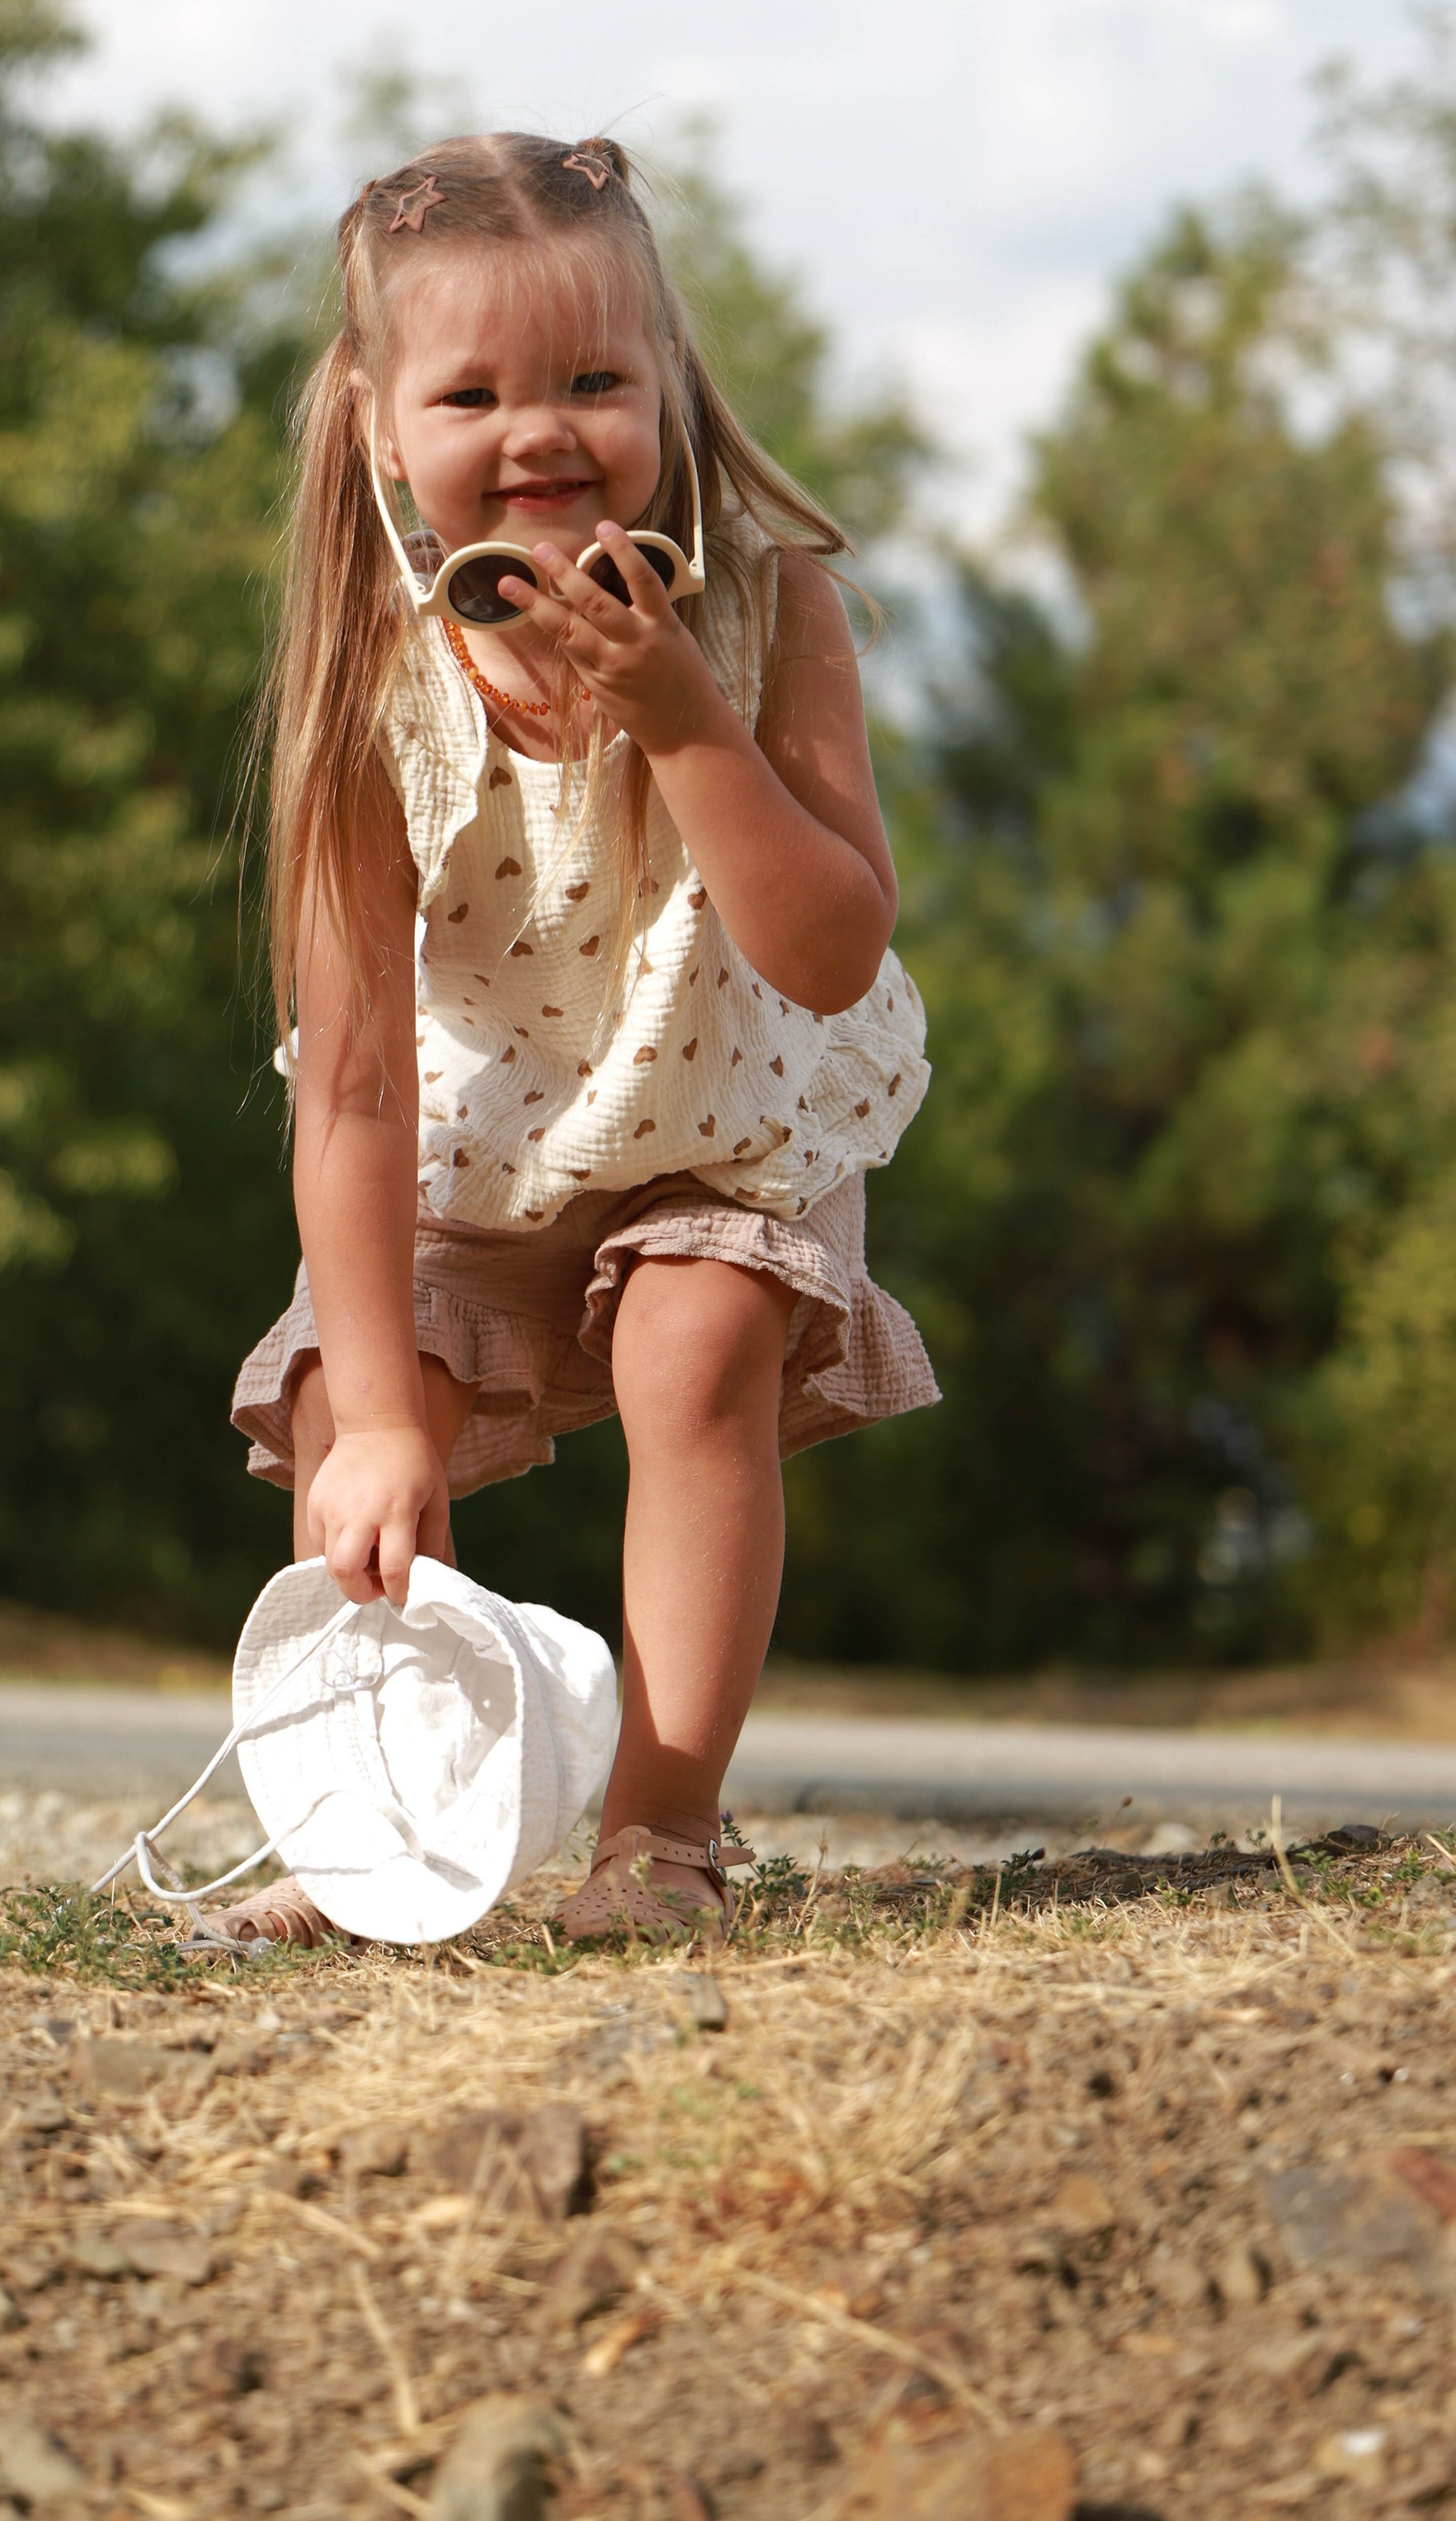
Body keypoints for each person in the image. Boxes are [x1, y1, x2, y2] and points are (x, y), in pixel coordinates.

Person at [216, 131, 935, 1947]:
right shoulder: (366, 685)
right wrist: (381, 1415)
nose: (539, 431)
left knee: (694, 1350)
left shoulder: (773, 618)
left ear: (667, 387)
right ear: (383, 426)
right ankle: (391, 1834)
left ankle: (661, 1837)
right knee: (335, 1409)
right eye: (472, 392)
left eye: (593, 381)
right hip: (476, 1157)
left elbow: (833, 953)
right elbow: (357, 1084)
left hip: (715, 1131)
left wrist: (689, 724)